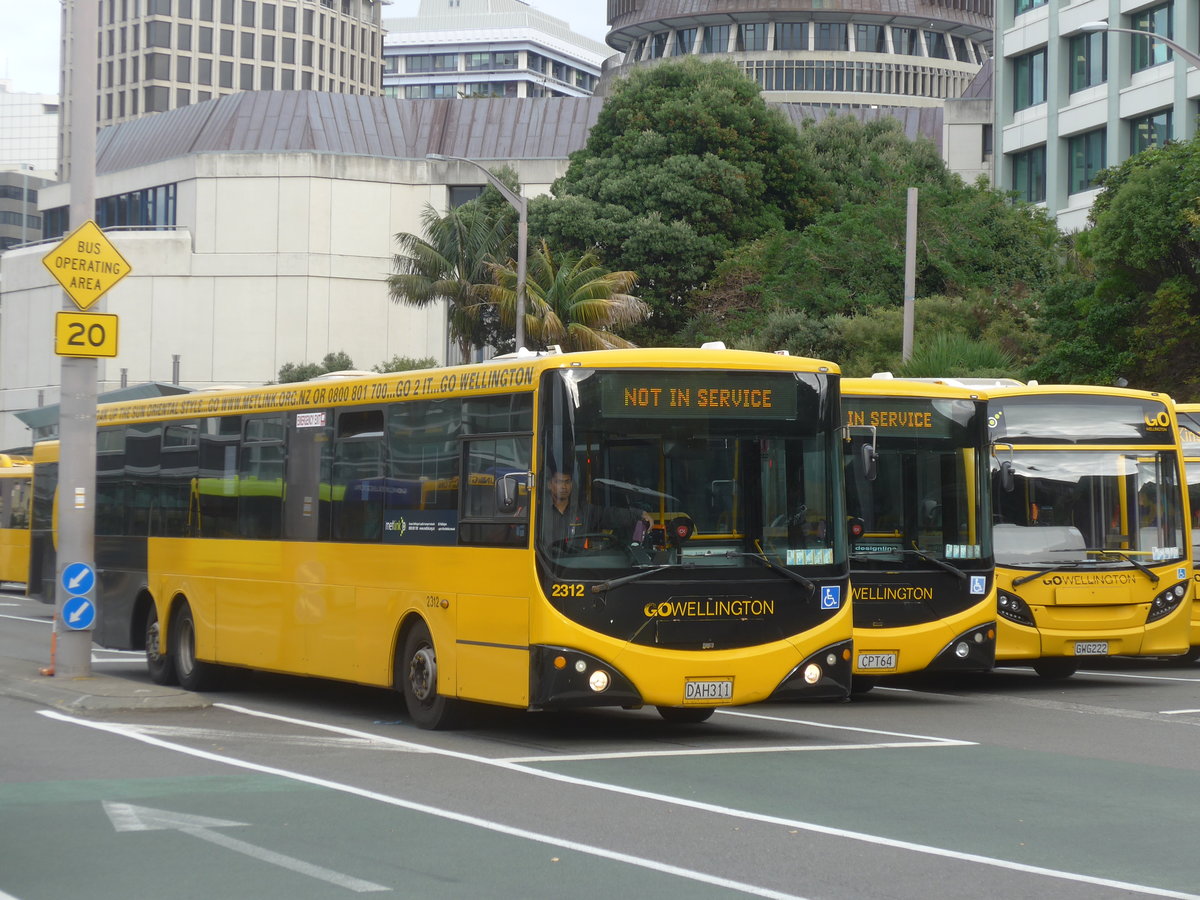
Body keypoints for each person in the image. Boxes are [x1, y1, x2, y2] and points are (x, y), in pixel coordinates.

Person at [541, 468, 652, 550]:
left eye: (567, 482)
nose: (564, 487)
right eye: (559, 482)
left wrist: (639, 514)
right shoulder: (538, 513)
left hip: (576, 567)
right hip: (547, 566)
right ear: (549, 484)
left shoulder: (584, 510)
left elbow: (610, 515)